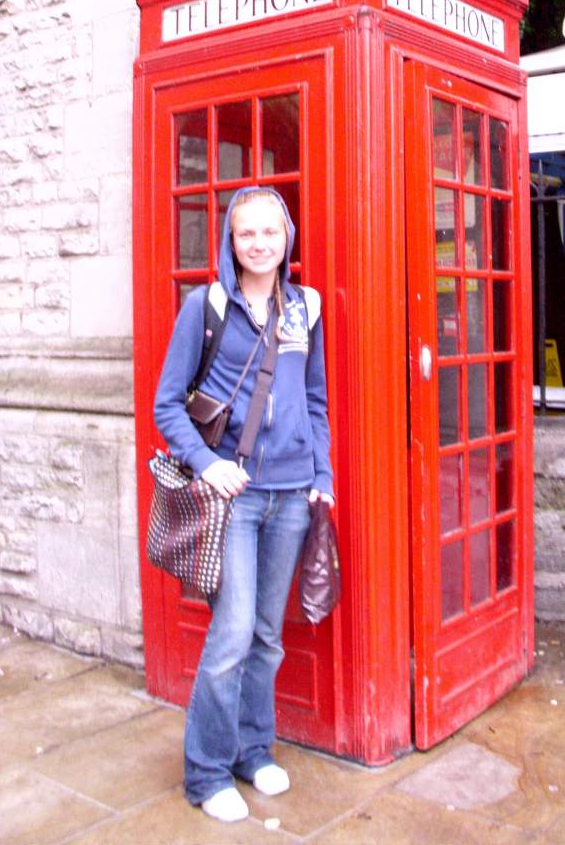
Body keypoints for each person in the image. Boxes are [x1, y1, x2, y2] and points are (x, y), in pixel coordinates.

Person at [154, 186, 333, 823]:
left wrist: (323, 475)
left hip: (291, 493)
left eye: (270, 232)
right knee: (230, 634)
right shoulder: (206, 307)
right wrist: (210, 464)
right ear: (230, 242)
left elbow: (314, 400)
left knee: (266, 635)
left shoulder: (304, 307)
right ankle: (205, 773)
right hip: (233, 499)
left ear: (287, 237)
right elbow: (167, 404)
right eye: (245, 233)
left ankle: (253, 753)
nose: (259, 243)